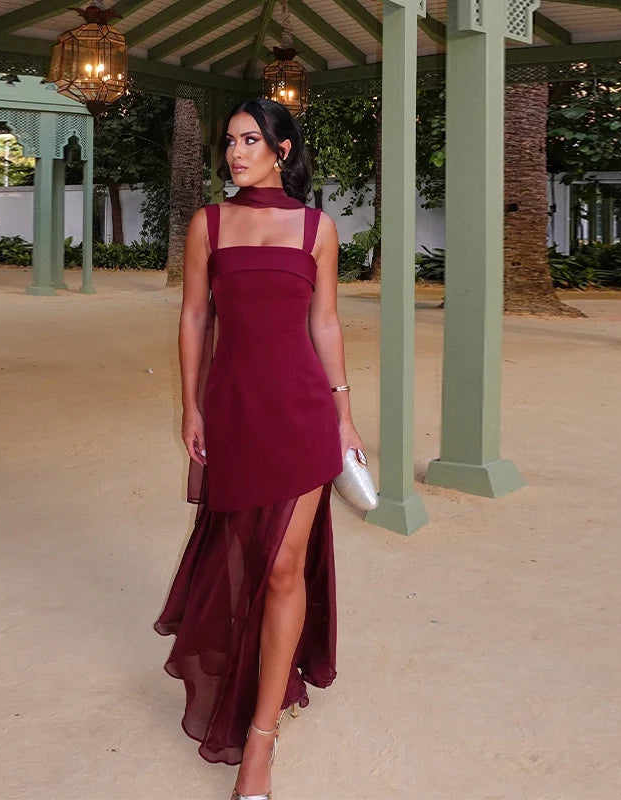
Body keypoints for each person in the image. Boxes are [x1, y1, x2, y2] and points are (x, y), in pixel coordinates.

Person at [155, 98, 364, 800]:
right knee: (242, 553)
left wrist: (344, 415)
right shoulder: (207, 224)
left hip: (302, 412)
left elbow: (326, 323)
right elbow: (193, 315)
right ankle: (254, 678)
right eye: (230, 141)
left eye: (250, 140)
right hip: (235, 412)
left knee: (282, 568)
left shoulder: (317, 228)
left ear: (282, 149)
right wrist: (190, 403)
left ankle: (261, 747)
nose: (235, 153)